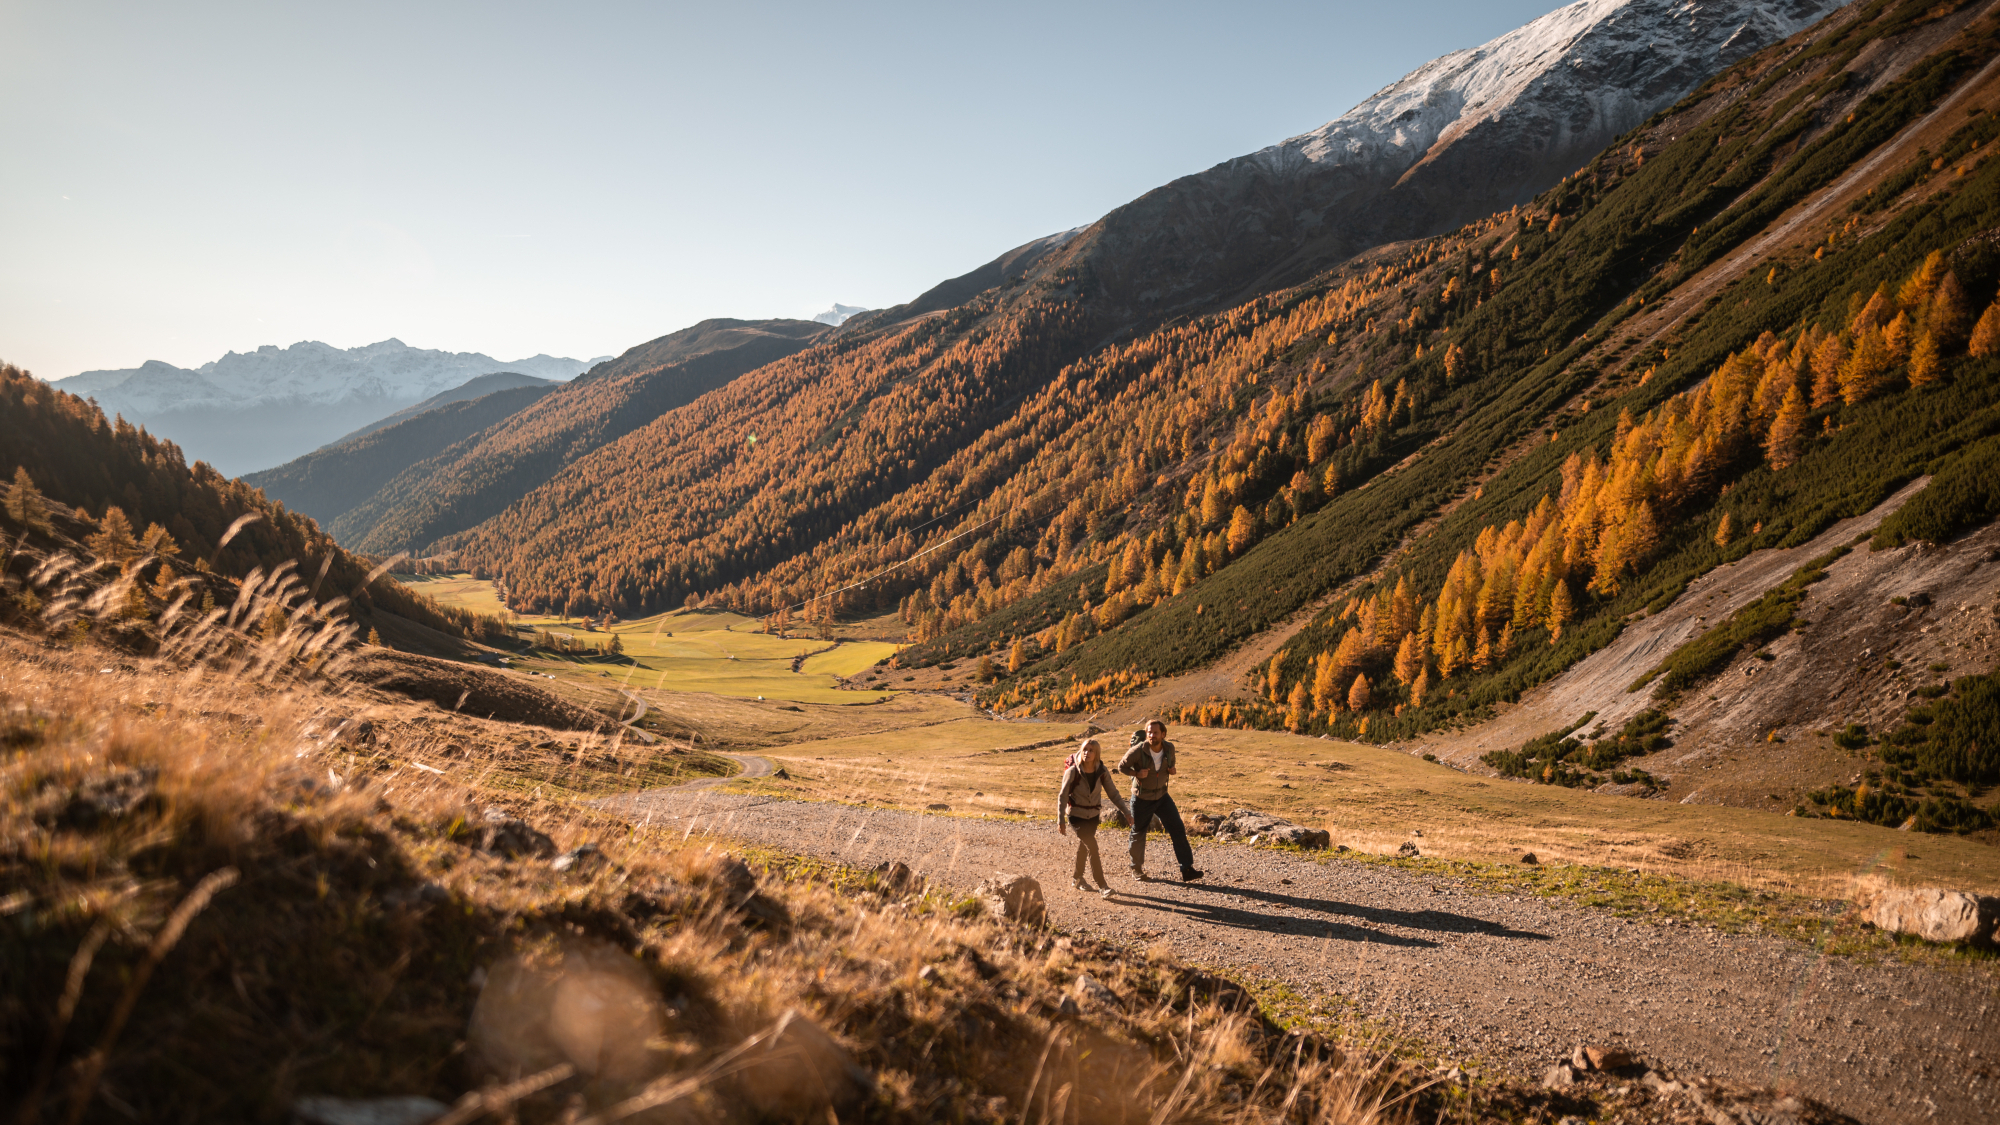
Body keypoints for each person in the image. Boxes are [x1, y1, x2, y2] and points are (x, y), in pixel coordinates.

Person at [1118, 719, 1203, 882]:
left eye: (1155, 732)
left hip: (1162, 796)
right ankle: (1136, 869)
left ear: (1163, 734)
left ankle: (1187, 869)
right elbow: (1121, 766)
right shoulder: (1137, 750)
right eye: (1149, 732)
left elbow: (1171, 764)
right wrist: (1136, 774)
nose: (1152, 735)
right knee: (1138, 832)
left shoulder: (1169, 748)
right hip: (1141, 798)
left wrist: (1172, 770)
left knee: (1177, 828)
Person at [1057, 738, 1131, 897]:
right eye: (1084, 749)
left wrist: (1126, 812)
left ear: (1097, 754)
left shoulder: (1102, 771)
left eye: (1091, 750)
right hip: (1076, 816)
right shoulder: (1073, 772)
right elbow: (1062, 796)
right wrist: (1060, 820)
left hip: (1093, 816)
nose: (1087, 753)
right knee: (1092, 846)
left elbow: (1113, 794)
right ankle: (1103, 886)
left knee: (1085, 846)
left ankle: (1077, 879)